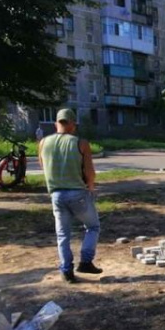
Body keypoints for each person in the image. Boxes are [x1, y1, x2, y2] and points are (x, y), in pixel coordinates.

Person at [38, 108, 101, 283]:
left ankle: (66, 271)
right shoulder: (81, 143)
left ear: (56, 123)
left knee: (63, 235)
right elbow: (90, 172)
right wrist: (90, 186)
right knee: (93, 226)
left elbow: (43, 166)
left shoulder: (43, 143)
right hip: (78, 194)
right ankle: (86, 262)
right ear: (73, 124)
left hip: (56, 195)